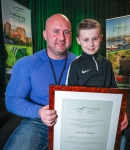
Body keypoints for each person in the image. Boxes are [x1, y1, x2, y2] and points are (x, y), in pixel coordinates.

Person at [66, 19, 130, 150]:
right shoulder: (75, 65)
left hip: (108, 114)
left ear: (101, 38)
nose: (91, 44)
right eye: (86, 40)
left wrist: (122, 113)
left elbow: (115, 91)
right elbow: (69, 97)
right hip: (85, 117)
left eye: (95, 38)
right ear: (78, 40)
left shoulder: (107, 63)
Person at [4, 14, 76, 150]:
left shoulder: (81, 64)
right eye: (56, 31)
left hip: (74, 121)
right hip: (38, 121)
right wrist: (38, 112)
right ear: (45, 35)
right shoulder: (27, 64)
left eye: (66, 32)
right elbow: (12, 100)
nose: (62, 37)